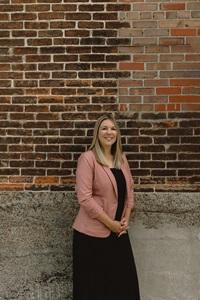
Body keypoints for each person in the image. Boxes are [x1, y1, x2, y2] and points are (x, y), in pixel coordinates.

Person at [72, 114, 140, 300]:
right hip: (91, 236)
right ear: (97, 133)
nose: (109, 132)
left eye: (113, 128)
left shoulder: (122, 159)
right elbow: (84, 198)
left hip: (119, 233)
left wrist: (126, 219)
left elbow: (130, 191)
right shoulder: (88, 159)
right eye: (104, 128)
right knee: (93, 289)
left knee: (125, 287)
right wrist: (111, 224)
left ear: (117, 133)